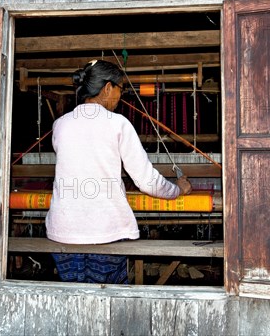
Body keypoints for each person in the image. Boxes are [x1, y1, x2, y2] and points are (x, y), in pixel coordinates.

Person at [45, 59, 192, 284]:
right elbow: (147, 181)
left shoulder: (61, 124)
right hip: (105, 234)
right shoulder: (118, 124)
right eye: (120, 89)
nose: (120, 96)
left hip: (62, 234)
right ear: (107, 88)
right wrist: (177, 190)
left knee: (74, 301)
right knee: (107, 303)